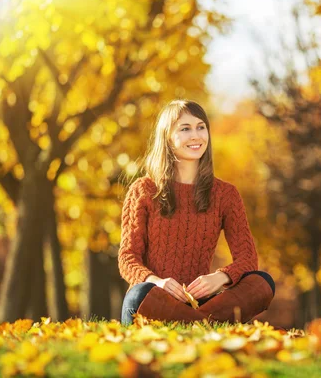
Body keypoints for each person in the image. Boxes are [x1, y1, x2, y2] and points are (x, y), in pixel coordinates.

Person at [118, 100, 275, 326]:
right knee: (137, 294)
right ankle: (204, 325)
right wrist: (157, 283)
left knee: (263, 283)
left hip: (203, 302)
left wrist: (220, 278)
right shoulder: (143, 190)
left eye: (201, 127)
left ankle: (193, 322)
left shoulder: (226, 194)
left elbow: (248, 259)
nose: (196, 135)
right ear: (168, 138)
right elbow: (127, 259)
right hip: (155, 300)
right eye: (185, 129)